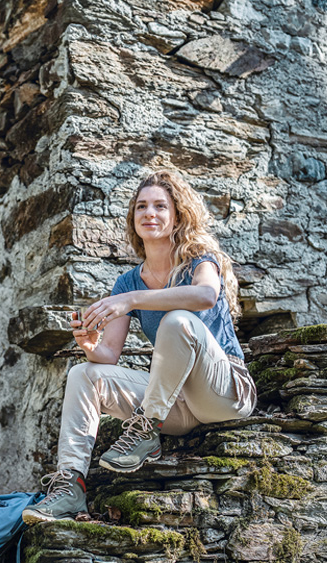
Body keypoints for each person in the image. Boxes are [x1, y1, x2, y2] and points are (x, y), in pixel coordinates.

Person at [21, 170, 257, 524]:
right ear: (133, 218)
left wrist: (132, 301)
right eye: (142, 206)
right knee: (84, 374)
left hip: (225, 393)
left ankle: (145, 429)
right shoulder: (128, 281)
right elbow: (108, 357)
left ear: (177, 214)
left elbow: (206, 295)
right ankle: (70, 485)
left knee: (178, 320)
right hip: (175, 408)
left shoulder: (199, 260)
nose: (151, 213)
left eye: (161, 206)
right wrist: (89, 345)